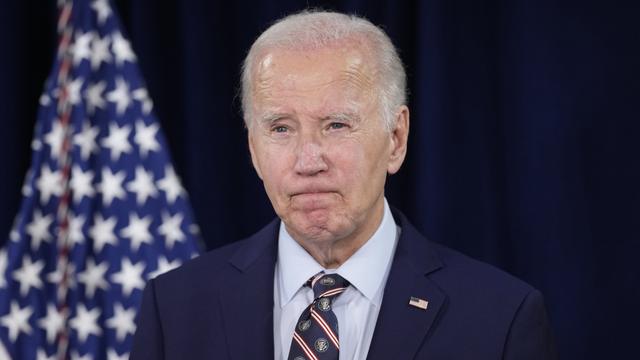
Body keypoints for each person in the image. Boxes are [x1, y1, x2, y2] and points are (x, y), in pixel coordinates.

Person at [130, 10, 557, 360]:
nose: (308, 160)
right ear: (253, 149)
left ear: (396, 138)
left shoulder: (500, 320)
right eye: (281, 128)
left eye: (336, 125)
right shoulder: (175, 309)